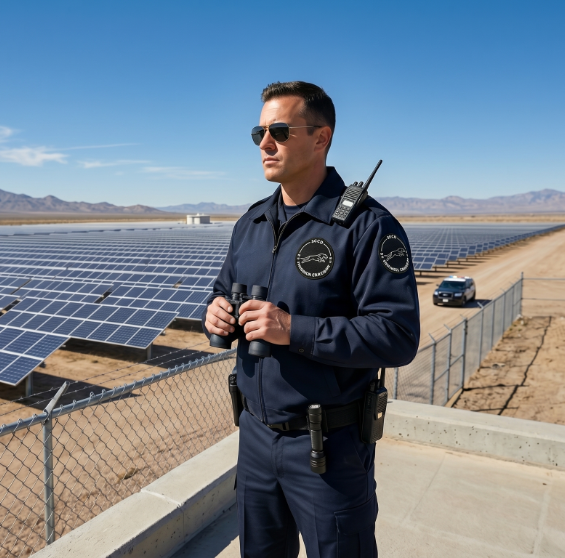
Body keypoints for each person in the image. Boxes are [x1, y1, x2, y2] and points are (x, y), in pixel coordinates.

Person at [203, 81, 421, 558]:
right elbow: (222, 289)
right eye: (259, 132)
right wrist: (215, 313)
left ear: (321, 138)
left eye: (280, 131)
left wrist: (293, 329)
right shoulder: (251, 224)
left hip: (329, 451)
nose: (265, 143)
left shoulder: (367, 226)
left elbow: (397, 334)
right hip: (254, 439)